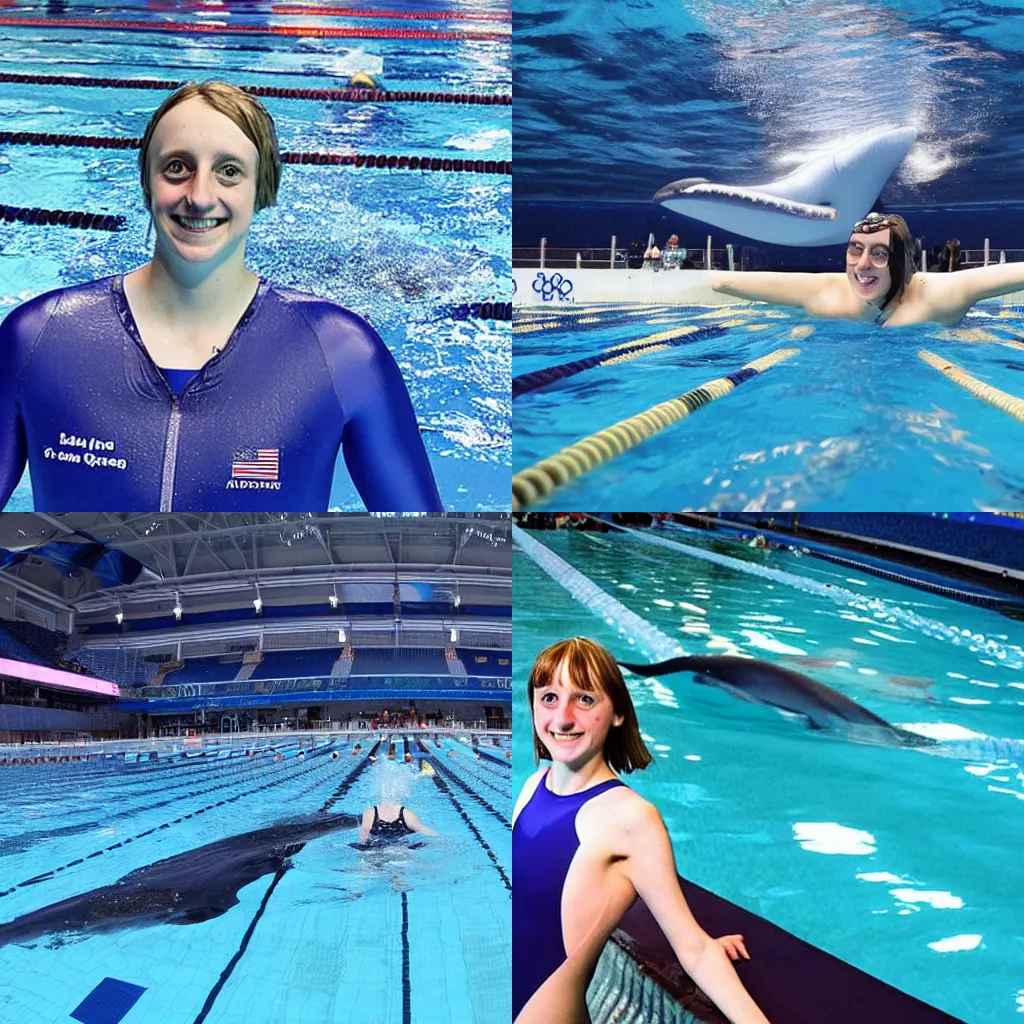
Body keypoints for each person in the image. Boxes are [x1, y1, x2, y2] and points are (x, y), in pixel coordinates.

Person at [0, 80, 442, 512]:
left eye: (229, 172)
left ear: (262, 190)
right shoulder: (40, 337)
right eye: (177, 167)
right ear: (147, 182)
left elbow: (432, 562)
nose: (199, 196)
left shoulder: (341, 351)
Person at [513, 637, 769, 1024]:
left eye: (585, 700)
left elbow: (693, 947)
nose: (563, 718)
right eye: (549, 697)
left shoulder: (631, 817)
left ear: (617, 712)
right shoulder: (533, 785)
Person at [709, 211, 1024, 327]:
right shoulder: (827, 293)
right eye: (855, 250)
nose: (862, 265)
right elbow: (723, 283)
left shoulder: (938, 296)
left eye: (879, 253)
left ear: (899, 262)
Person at [358, 803, 437, 844]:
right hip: (401, 850)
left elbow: (363, 839)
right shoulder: (407, 814)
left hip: (377, 850)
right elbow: (426, 831)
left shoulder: (370, 813)